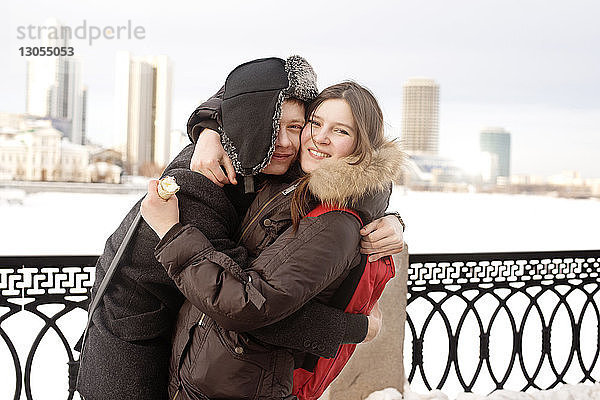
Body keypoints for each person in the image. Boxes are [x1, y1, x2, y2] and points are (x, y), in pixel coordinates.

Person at [77, 57, 401, 400]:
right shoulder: (200, 185)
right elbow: (241, 305)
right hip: (134, 350)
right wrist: (358, 327)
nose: (289, 142)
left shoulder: (267, 169)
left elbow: (358, 171)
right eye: (273, 125)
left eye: (296, 126)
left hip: (187, 349)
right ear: (250, 120)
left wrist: (387, 216)